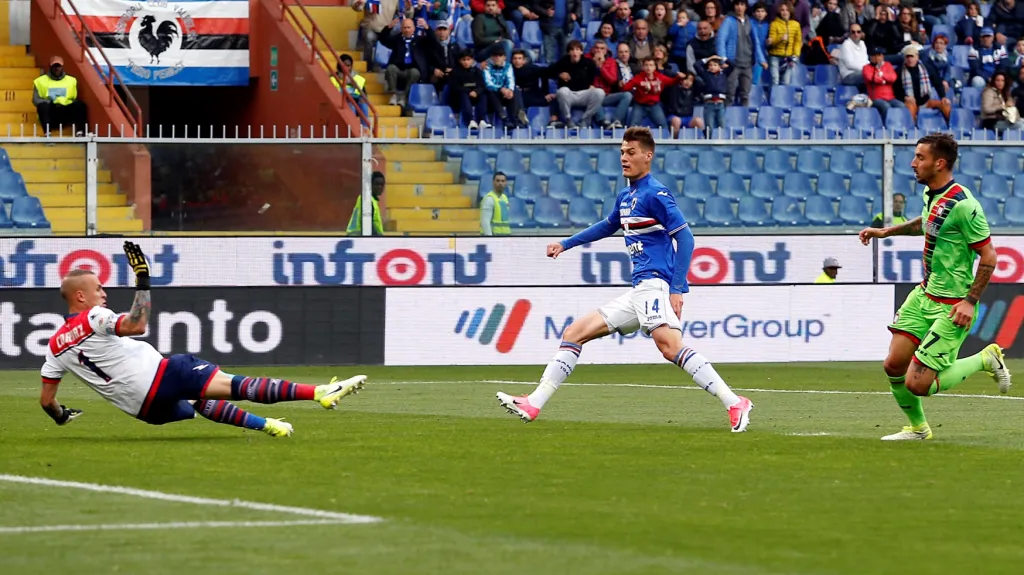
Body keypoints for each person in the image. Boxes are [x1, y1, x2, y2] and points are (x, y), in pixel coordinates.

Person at [496, 127, 755, 432]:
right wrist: (565, 244)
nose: (624, 158)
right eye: (621, 152)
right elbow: (607, 226)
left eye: (631, 152)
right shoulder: (626, 195)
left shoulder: (655, 194)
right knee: (575, 332)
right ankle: (534, 402)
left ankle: (734, 402)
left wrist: (677, 288)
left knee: (670, 347)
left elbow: (686, 239)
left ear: (648, 156)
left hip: (655, 284)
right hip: (639, 290)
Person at [40, 243, 367, 438]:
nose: (104, 293)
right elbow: (137, 324)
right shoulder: (94, 316)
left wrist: (62, 416)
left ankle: (268, 425)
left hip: (147, 411)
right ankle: (320, 393)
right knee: (233, 383)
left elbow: (47, 402)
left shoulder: (55, 346)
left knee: (199, 397)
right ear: (81, 296)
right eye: (99, 289)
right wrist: (143, 279)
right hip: (160, 379)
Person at [857, 134, 1011, 441]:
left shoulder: (965, 205)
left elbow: (989, 257)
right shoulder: (932, 194)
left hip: (953, 305)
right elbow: (925, 223)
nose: (913, 163)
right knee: (893, 365)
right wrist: (886, 231)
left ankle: (985, 359)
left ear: (939, 163)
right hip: (924, 294)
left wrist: (970, 301)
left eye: (920, 158)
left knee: (918, 384)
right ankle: (918, 429)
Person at [717, 0, 766, 107]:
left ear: (745, 7)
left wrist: (761, 59)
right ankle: (726, 119)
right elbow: (721, 39)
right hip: (732, 63)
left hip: (747, 63)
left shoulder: (750, 22)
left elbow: (756, 42)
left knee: (745, 94)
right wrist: (723, 59)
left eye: (742, 4)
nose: (739, 7)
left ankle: (743, 117)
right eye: (737, 4)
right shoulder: (728, 21)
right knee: (729, 93)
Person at [547, 40, 604, 128]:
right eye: (572, 50)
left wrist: (571, 77)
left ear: (581, 51)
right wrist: (559, 75)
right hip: (569, 95)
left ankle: (585, 119)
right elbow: (548, 71)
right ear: (569, 52)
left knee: (600, 92)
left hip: (584, 94)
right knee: (562, 91)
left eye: (577, 49)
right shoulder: (563, 61)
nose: (575, 52)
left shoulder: (588, 63)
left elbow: (593, 77)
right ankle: (568, 119)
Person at [379, 17, 429, 106]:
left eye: (409, 27)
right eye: (404, 27)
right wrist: (388, 28)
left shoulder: (420, 40)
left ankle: (404, 98)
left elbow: (432, 41)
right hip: (398, 69)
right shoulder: (397, 39)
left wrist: (427, 28)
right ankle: (393, 95)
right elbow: (383, 40)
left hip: (411, 70)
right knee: (391, 68)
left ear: (414, 28)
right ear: (401, 29)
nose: (406, 30)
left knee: (415, 72)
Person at [622, 57, 684, 129]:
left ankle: (666, 139)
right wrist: (623, 84)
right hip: (640, 105)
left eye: (651, 65)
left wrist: (679, 77)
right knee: (633, 127)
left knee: (663, 127)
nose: (648, 68)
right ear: (643, 67)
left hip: (654, 106)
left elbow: (672, 82)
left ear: (655, 67)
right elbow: (626, 88)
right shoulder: (638, 78)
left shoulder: (660, 77)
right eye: (646, 65)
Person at [896, 43, 952, 123]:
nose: (910, 59)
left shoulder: (927, 67)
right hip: (911, 102)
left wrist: (943, 97)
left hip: (926, 102)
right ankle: (910, 132)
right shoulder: (899, 71)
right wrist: (905, 97)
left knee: (945, 104)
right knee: (909, 108)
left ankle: (952, 127)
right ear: (904, 58)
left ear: (917, 57)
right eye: (907, 57)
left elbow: (938, 83)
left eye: (912, 56)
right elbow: (896, 90)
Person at [33, 56, 87, 136]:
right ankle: (47, 133)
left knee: (80, 105)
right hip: (51, 112)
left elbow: (74, 97)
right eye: (54, 66)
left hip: (65, 112)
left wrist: (63, 102)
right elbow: (35, 100)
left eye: (58, 66)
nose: (56, 69)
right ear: (50, 67)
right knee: (42, 106)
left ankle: (80, 132)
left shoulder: (71, 81)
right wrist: (49, 101)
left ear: (62, 67)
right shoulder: (40, 81)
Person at [594, 42, 636, 129]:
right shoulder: (612, 63)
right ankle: (611, 121)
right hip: (613, 93)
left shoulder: (635, 66)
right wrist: (618, 83)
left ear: (629, 53)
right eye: (621, 52)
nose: (624, 54)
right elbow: (612, 80)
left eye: (626, 52)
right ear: (617, 53)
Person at [482, 48, 526, 126]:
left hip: (506, 94)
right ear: (492, 57)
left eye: (500, 55)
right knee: (490, 91)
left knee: (516, 90)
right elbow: (488, 83)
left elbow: (510, 79)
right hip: (494, 94)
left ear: (504, 57)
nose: (498, 58)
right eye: (495, 56)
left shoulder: (508, 66)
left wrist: (510, 90)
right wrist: (501, 89)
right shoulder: (486, 67)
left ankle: (515, 118)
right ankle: (504, 117)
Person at [448, 51, 489, 129]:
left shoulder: (477, 71)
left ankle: (482, 120)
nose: (466, 62)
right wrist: (469, 91)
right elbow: (455, 87)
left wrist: (476, 91)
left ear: (472, 60)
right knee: (463, 95)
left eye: (468, 59)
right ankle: (470, 121)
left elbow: (482, 85)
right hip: (460, 98)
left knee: (483, 95)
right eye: (464, 60)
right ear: (460, 60)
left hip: (475, 96)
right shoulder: (455, 72)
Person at [863, 46, 904, 123]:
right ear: (870, 57)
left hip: (890, 98)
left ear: (882, 56)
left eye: (879, 55)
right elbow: (871, 78)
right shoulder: (866, 67)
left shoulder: (888, 65)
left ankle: (900, 126)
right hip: (875, 98)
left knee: (901, 105)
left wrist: (881, 75)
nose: (876, 57)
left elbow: (893, 77)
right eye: (874, 55)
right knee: (886, 107)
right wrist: (884, 81)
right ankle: (887, 126)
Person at [693, 54, 731, 133]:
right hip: (709, 104)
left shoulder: (723, 74)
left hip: (720, 104)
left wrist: (722, 58)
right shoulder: (706, 75)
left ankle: (722, 144)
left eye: (715, 65)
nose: (712, 67)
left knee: (722, 126)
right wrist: (708, 58)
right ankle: (709, 142)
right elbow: (696, 65)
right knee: (709, 127)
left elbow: (733, 65)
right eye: (710, 65)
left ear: (719, 66)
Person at [767, 1, 802, 85]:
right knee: (775, 79)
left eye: (787, 10)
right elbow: (771, 42)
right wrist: (780, 39)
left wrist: (795, 55)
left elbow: (797, 42)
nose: (785, 12)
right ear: (779, 12)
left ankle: (782, 98)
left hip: (789, 57)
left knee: (786, 82)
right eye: (782, 10)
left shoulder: (796, 25)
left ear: (790, 11)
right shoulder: (774, 24)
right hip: (775, 56)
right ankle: (773, 97)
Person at [347, 171, 386, 235]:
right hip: (358, 236)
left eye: (382, 185)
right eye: (376, 184)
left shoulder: (372, 200)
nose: (379, 187)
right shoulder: (366, 200)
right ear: (370, 185)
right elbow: (367, 225)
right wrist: (380, 239)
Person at [333, 55, 369, 124]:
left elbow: (364, 95)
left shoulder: (358, 78)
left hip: (356, 100)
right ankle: (352, 128)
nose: (346, 67)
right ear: (339, 65)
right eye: (344, 65)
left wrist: (355, 85)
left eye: (348, 65)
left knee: (363, 104)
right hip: (341, 102)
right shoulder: (333, 77)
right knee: (350, 104)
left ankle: (365, 129)